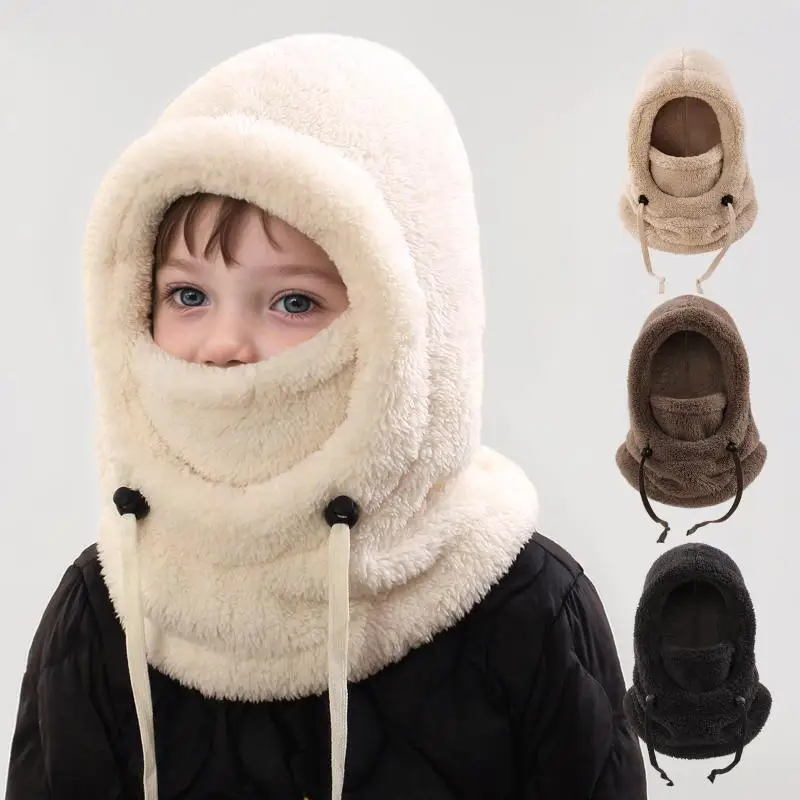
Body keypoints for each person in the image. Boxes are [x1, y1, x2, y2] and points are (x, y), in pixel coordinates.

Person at [5, 34, 646, 799]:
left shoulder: (530, 609)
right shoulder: (106, 609)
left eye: (293, 301)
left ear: (409, 325)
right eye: (188, 295)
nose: (225, 345)